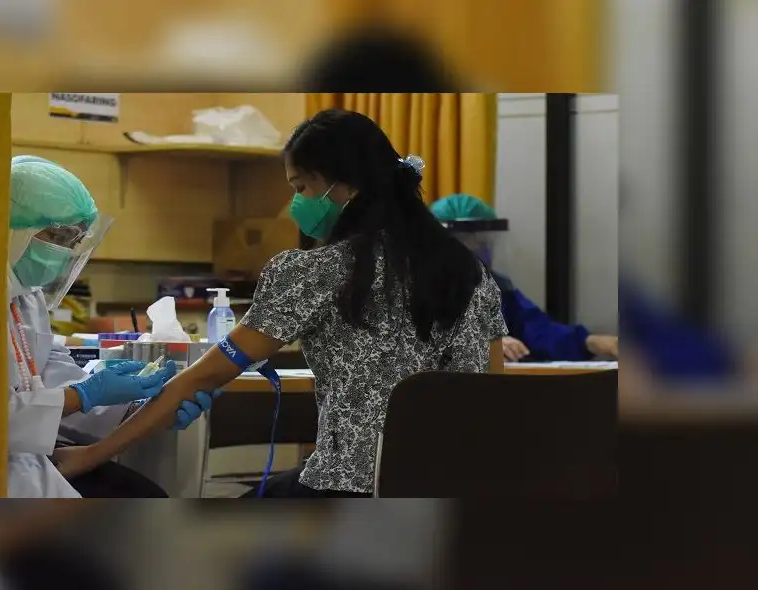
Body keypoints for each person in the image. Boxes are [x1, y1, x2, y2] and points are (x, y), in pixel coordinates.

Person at [49, 110, 508, 498]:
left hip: (346, 488)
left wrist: (90, 454)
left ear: (345, 187)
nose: (296, 204)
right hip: (459, 492)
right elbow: (488, 396)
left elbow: (206, 375)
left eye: (301, 188)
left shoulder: (314, 272)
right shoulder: (471, 275)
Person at [7, 155, 216, 498]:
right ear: (14, 227)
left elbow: (46, 372)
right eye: (57, 235)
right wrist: (87, 394)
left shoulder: (26, 299)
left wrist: (132, 405)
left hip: (29, 464)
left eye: (73, 240)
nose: (64, 251)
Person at [430, 194, 619, 362]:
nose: (478, 250)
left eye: (483, 242)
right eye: (465, 241)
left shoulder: (496, 289)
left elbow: (537, 329)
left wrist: (590, 342)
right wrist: (484, 346)